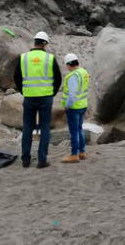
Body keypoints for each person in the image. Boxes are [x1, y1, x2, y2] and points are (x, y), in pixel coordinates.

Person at [13, 31, 62, 168]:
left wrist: (24, 91)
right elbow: (58, 78)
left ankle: (26, 159)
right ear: (45, 44)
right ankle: (42, 160)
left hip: (29, 97)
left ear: (34, 42)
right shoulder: (50, 58)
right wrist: (52, 93)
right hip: (45, 97)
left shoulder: (24, 58)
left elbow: (17, 77)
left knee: (28, 127)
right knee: (44, 127)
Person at [60, 53, 90, 163]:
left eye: (66, 65)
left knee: (74, 132)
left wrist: (67, 106)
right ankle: (82, 152)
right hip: (83, 105)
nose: (66, 68)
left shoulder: (73, 76)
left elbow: (72, 94)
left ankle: (74, 155)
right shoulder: (83, 72)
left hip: (74, 107)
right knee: (79, 129)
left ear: (69, 64)